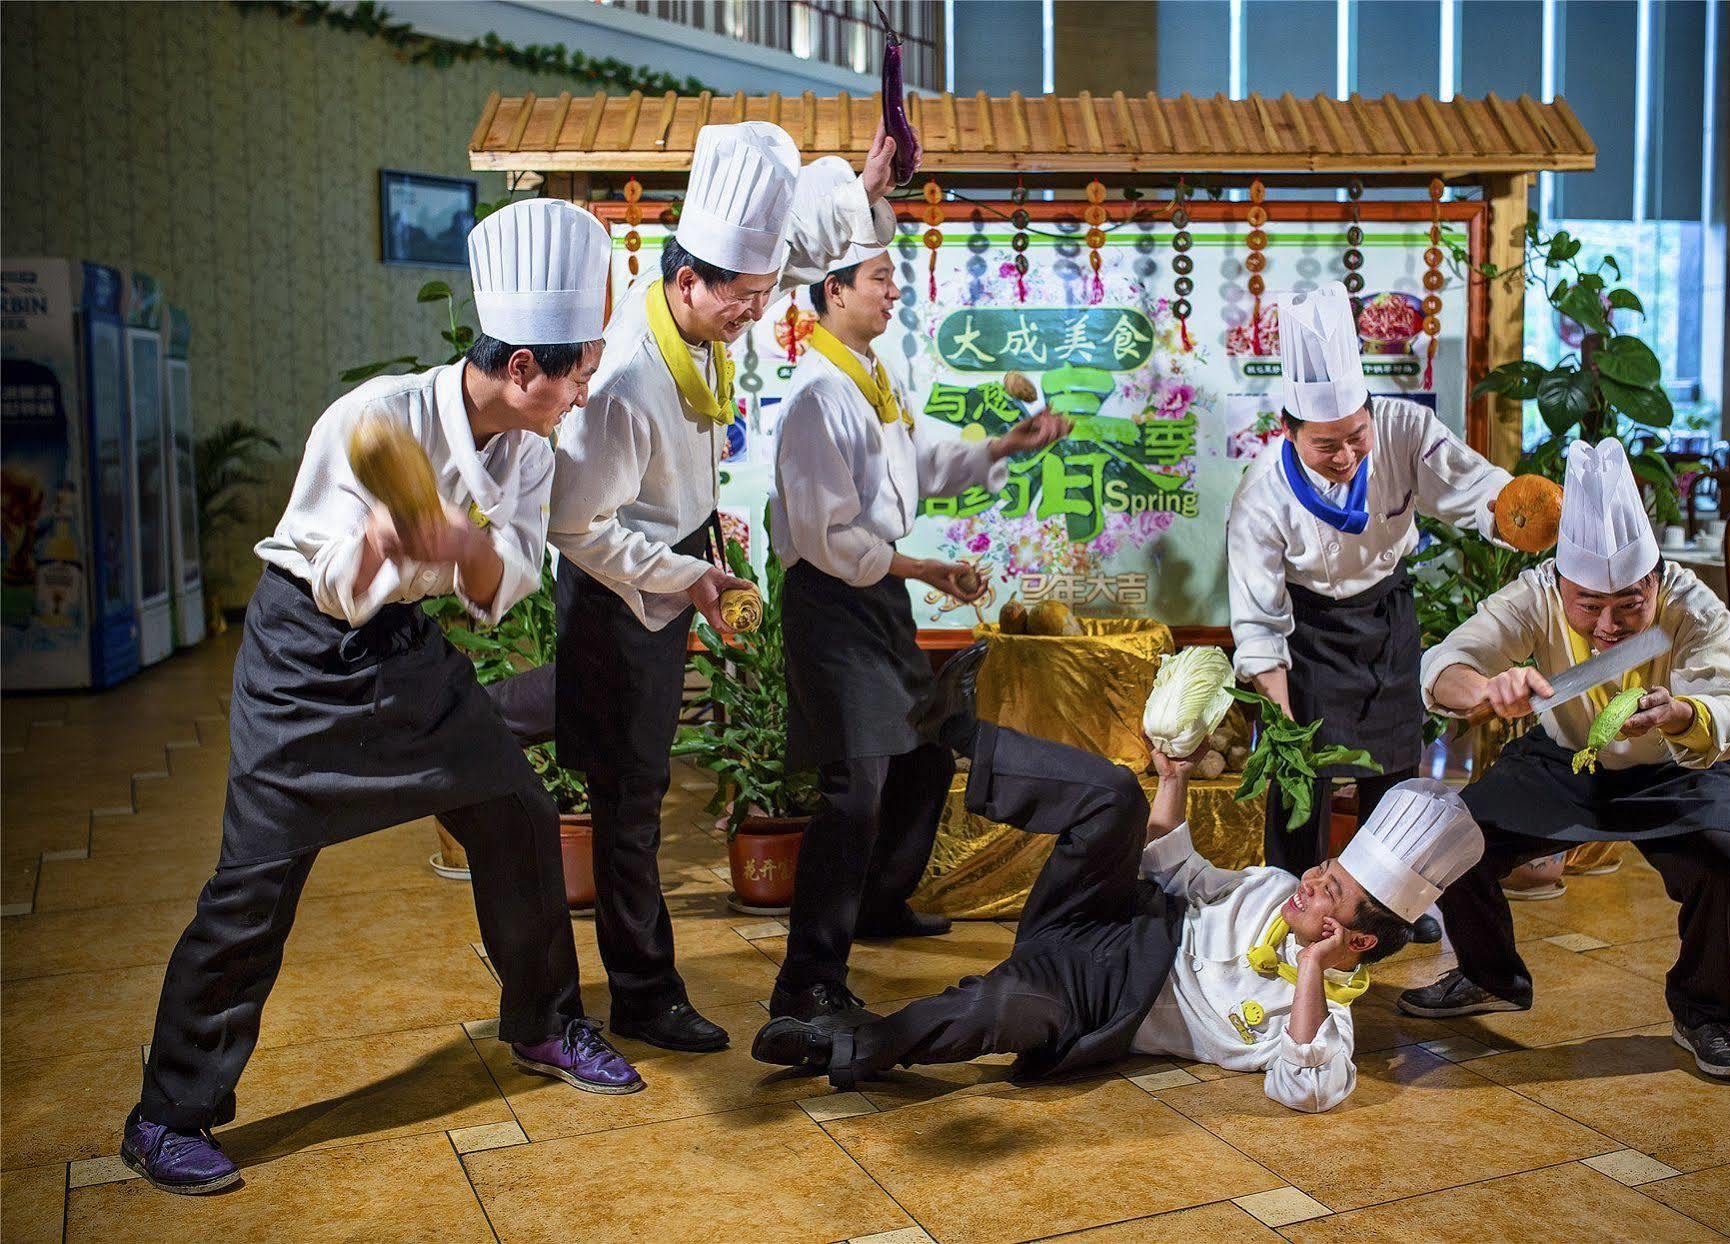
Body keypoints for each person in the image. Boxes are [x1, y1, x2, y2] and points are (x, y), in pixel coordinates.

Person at [122, 200, 638, 1196]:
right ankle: (166, 1113)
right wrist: (392, 542)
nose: (583, 391)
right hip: (304, 659)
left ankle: (542, 1021)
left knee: (518, 815)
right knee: (251, 886)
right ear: (523, 366)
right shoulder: (375, 419)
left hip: (406, 655)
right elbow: (333, 583)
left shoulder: (528, 451)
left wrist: (464, 547)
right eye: (576, 370)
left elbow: (503, 588)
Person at [541, 120, 907, 1054]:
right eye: (744, 296)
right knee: (629, 797)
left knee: (635, 766)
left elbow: (793, 252)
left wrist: (862, 186)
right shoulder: (626, 380)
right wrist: (686, 574)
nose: (761, 307)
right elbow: (576, 527)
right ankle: (642, 994)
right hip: (622, 584)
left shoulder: (708, 300)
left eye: (763, 291)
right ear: (686, 280)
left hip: (681, 554)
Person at [750, 648, 1483, 1110]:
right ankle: (961, 735)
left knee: (998, 1007)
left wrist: (1310, 971)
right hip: (1110, 913)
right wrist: (1173, 778)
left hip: (1101, 996)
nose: (1312, 880)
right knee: (1116, 796)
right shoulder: (1267, 886)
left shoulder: (1322, 1023)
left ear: (1349, 935)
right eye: (1324, 867)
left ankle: (839, 1048)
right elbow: (1173, 866)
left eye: (1330, 891)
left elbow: (1307, 1089)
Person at [766, 244, 1069, 1022]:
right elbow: (826, 536)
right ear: (833, 292)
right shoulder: (814, 397)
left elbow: (924, 460)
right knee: (856, 784)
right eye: (879, 280)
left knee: (926, 755)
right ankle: (806, 981)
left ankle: (876, 903)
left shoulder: (874, 375)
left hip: (874, 598)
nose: (893, 292)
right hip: (830, 599)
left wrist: (1003, 445)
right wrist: (923, 569)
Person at [1402, 438, 1730, 1081]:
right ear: (1560, 583)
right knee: (1452, 838)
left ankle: (1706, 1012)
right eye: (1588, 606)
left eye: (1630, 605)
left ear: (1656, 578)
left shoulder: (1693, 605)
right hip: (1565, 759)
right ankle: (1489, 977)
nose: (1608, 627)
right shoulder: (1533, 594)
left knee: (1727, 861)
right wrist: (1487, 689)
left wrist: (1682, 713)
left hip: (1680, 768)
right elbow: (1443, 666)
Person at [1227, 288, 1510, 897]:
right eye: (1325, 445)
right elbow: (1257, 621)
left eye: (1357, 436)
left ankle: (1392, 905)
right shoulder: (1261, 495)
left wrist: (1518, 510)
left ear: (1371, 413)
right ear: (1288, 430)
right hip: (1307, 633)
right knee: (1301, 780)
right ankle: (1287, 902)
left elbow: (1476, 487)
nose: (1347, 456)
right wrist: (1278, 719)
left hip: (1385, 615)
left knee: (1396, 770)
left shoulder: (1406, 430)